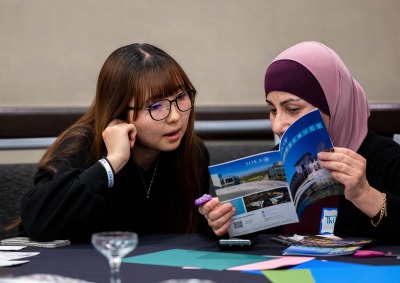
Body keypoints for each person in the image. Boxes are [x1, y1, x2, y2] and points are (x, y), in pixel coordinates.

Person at [199, 41, 400, 243]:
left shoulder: (387, 159)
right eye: (272, 110)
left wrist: (365, 194)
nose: (277, 125)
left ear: (333, 104)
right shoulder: (279, 160)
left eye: (293, 109)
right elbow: (248, 232)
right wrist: (222, 221)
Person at [19, 43, 212, 242]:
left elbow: (188, 231)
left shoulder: (192, 152)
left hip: (157, 269)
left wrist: (216, 223)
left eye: (181, 96)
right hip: (74, 269)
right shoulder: (81, 145)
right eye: (155, 106)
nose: (174, 116)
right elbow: (39, 223)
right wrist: (111, 163)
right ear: (120, 111)